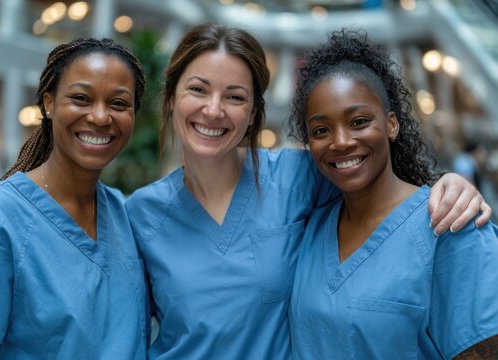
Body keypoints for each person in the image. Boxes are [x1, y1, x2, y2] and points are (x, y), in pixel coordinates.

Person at [125, 23, 491, 359]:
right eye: (197, 89)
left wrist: (449, 186)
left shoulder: (300, 178)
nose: (213, 109)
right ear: (171, 97)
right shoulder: (140, 215)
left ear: (254, 113)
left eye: (235, 97)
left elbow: (384, 199)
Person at [288, 29, 498, 359]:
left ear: (391, 125)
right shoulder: (310, 229)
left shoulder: (451, 225)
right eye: (320, 130)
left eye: (358, 121)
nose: (340, 141)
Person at [0, 38, 149, 359]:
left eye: (119, 103)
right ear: (49, 103)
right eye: (81, 98)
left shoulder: (128, 217)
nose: (100, 116)